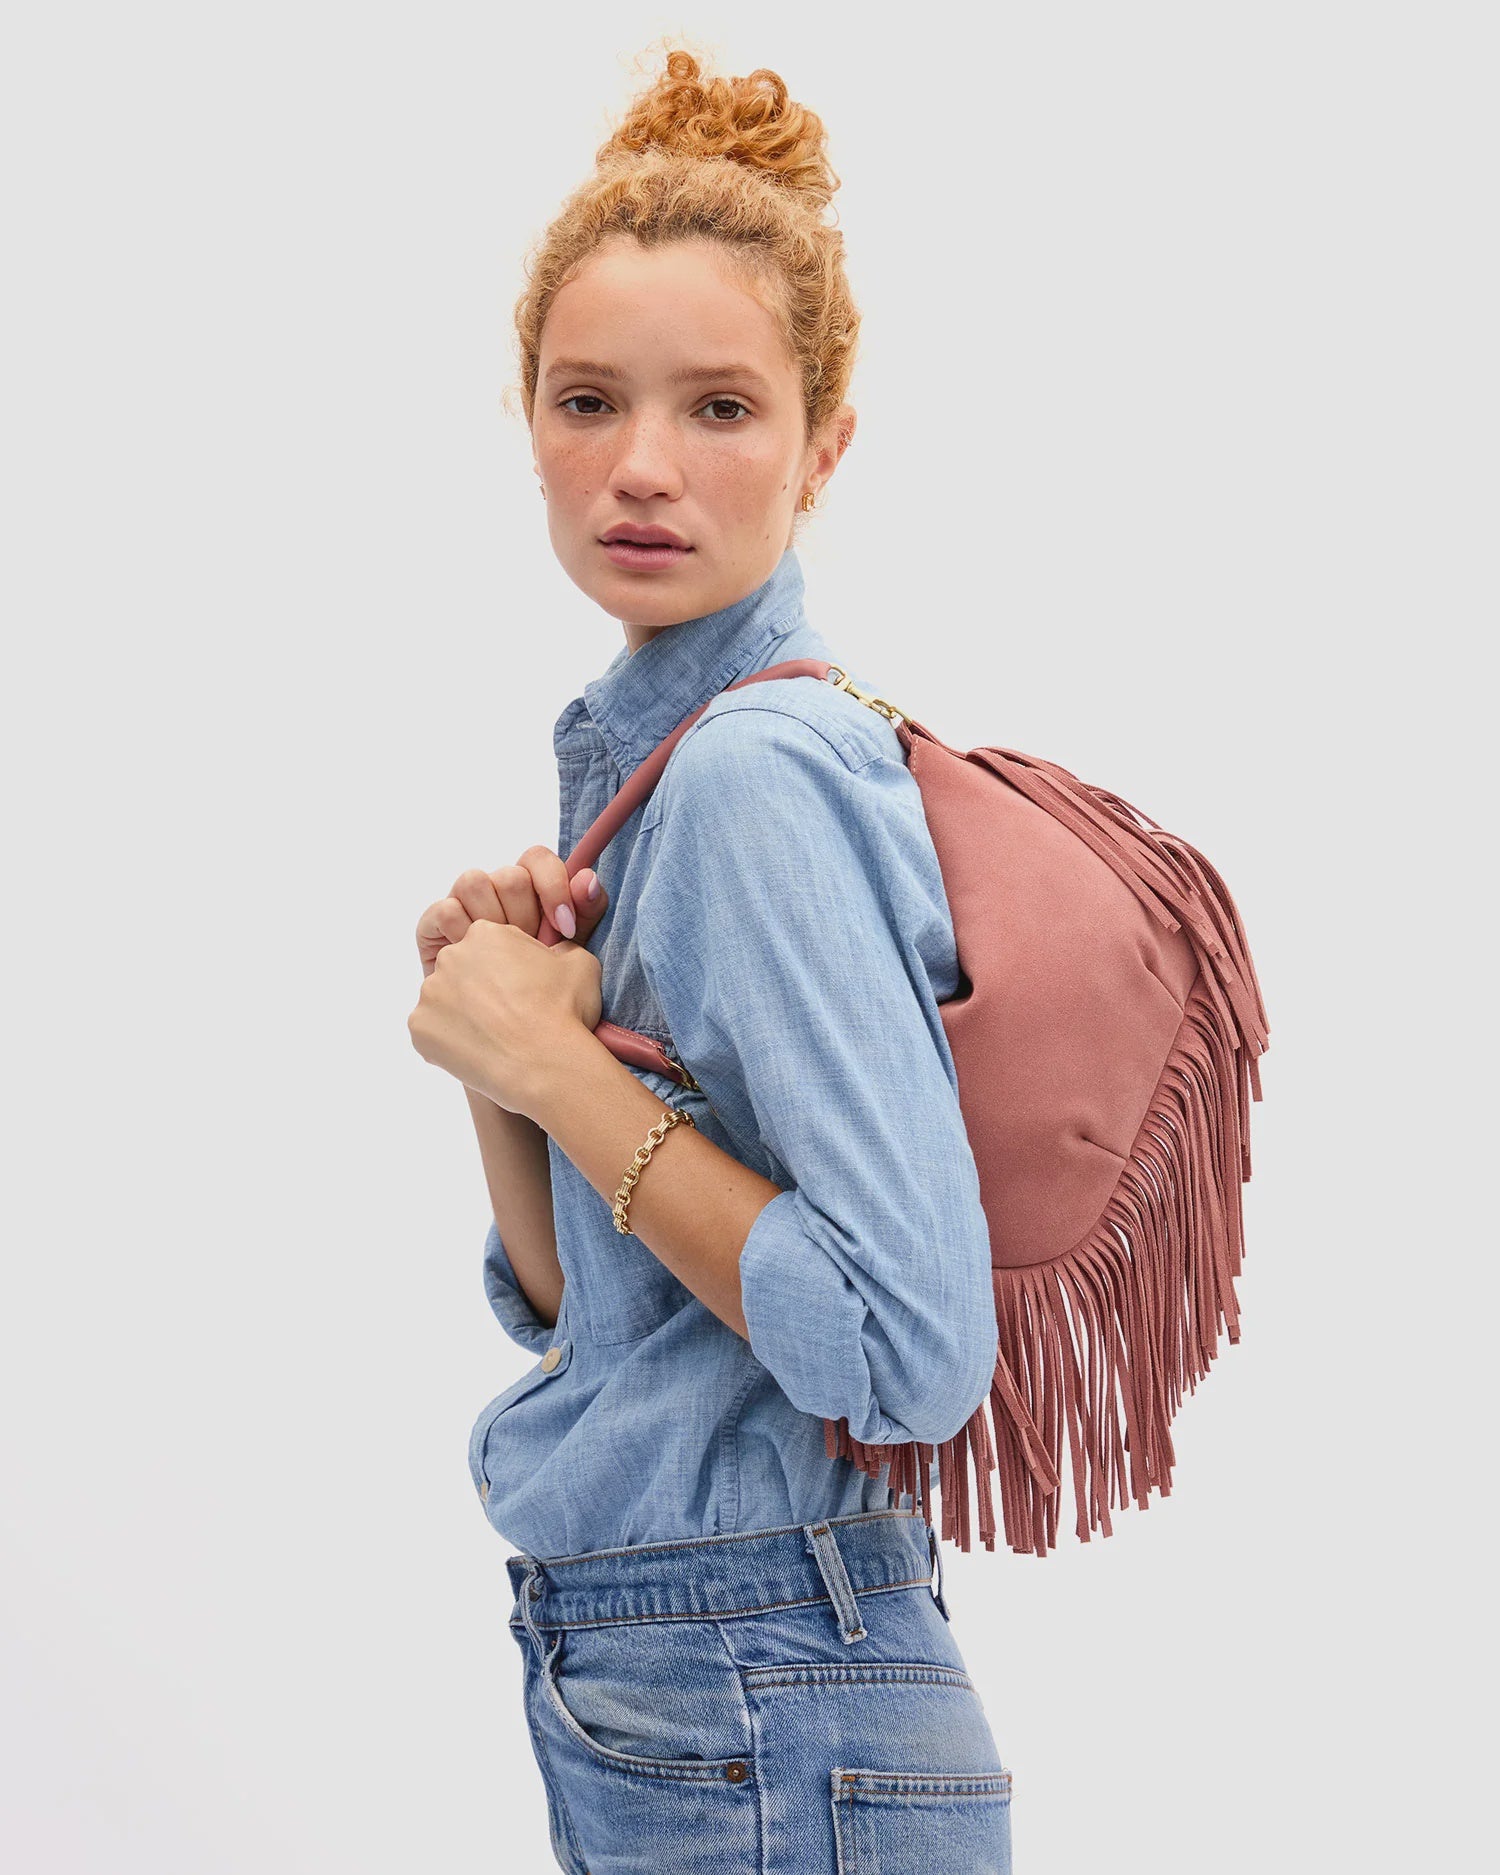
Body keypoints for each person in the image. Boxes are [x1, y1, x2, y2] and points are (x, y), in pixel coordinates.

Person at [408, 45, 1014, 1875]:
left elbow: (909, 1353)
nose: (643, 467)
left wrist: (559, 1070)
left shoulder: (751, 773)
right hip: (706, 1678)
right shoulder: (641, 769)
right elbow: (597, 1307)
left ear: (826, 446)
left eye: (723, 410)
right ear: (524, 417)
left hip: (758, 1676)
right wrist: (511, 1078)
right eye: (589, 400)